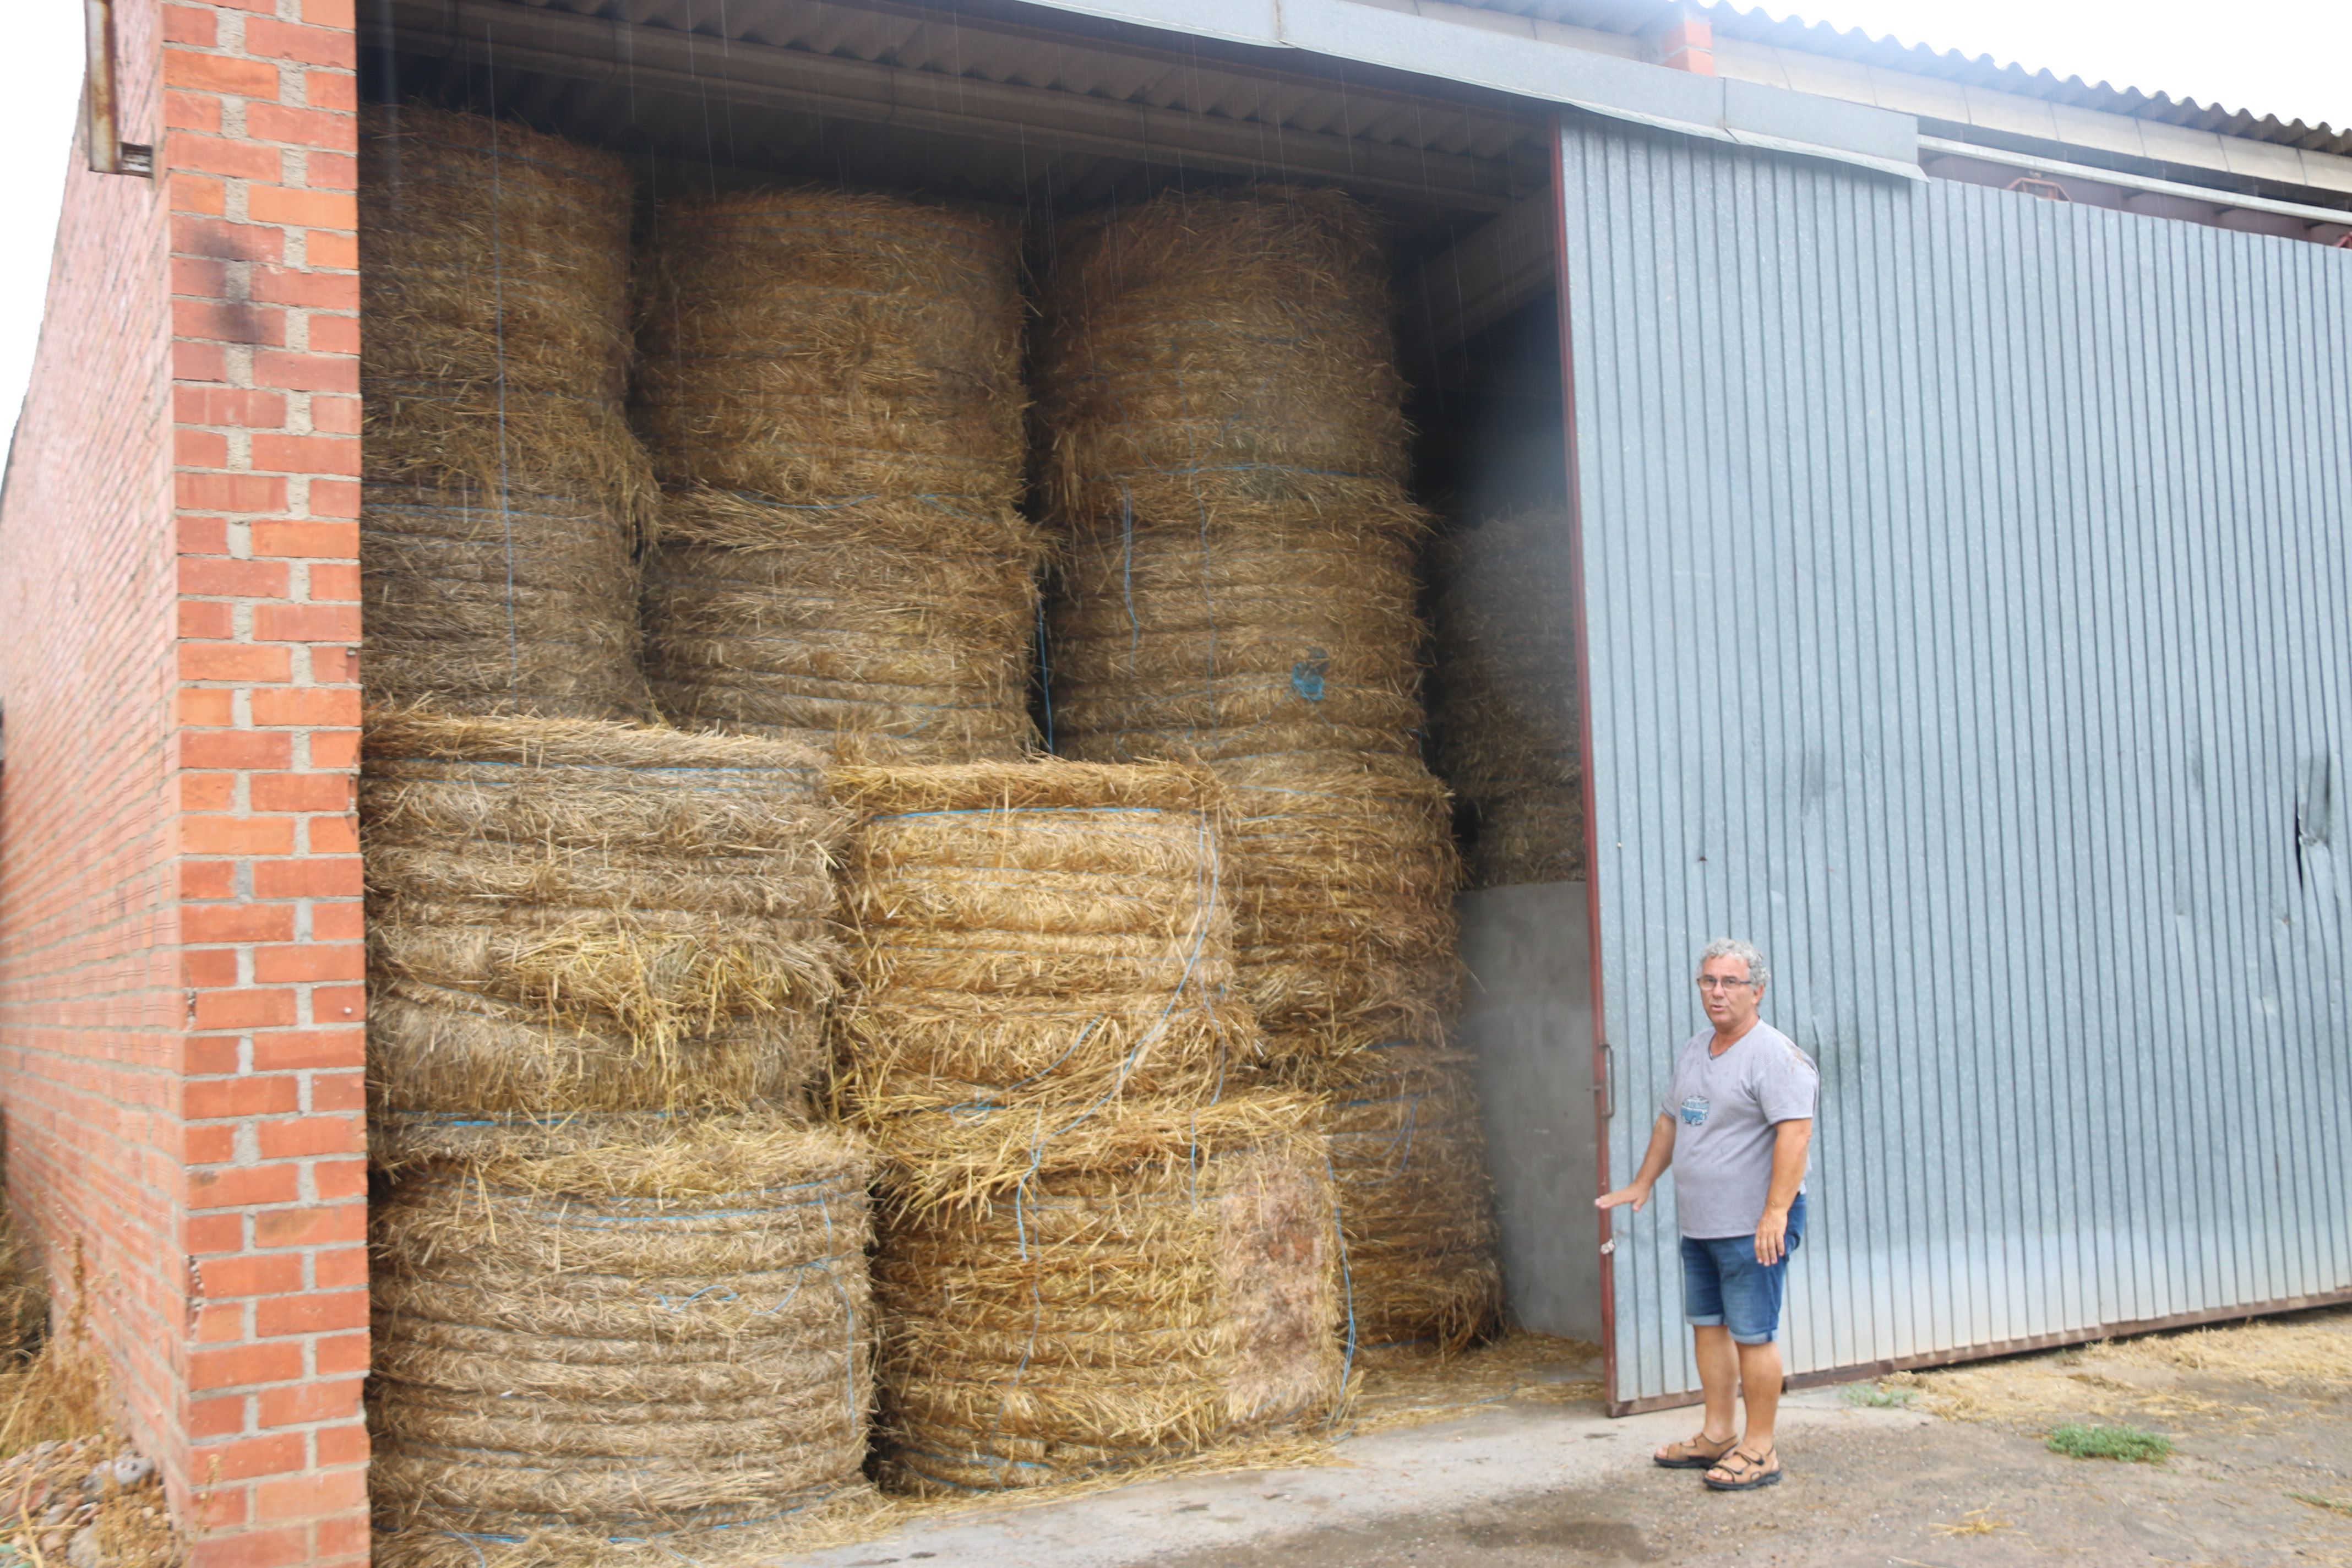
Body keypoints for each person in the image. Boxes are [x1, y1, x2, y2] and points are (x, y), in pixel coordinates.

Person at [1596, 938, 1817, 1491]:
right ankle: (1718, 1433)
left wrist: (1775, 1213)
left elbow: (1796, 1135)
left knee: (1753, 1335)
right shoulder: (1698, 1049)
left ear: (1757, 991)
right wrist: (1644, 1181)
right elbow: (1674, 1119)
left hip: (1753, 1226)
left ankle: (1760, 1449)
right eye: (1708, 981)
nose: (1717, 992)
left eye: (1730, 982)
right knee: (1710, 1330)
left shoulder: (1774, 1055)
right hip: (1702, 1223)